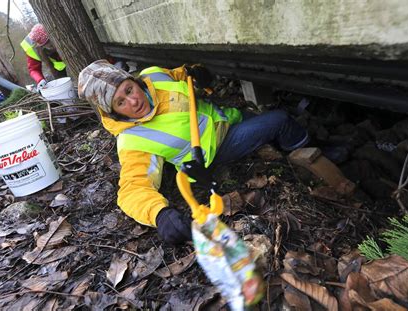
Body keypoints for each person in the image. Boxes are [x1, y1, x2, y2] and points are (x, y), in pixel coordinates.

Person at [78, 60, 310, 245]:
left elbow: (181, 74)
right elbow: (132, 189)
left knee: (262, 119)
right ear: (114, 112)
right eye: (121, 102)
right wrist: (160, 214)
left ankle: (283, 143)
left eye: (129, 89)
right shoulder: (133, 140)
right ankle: (305, 153)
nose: (134, 101)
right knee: (279, 120)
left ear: (134, 81)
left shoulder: (154, 76)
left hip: (228, 117)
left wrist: (197, 74)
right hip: (217, 147)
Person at [20, 24, 67, 89]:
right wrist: (40, 80)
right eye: (47, 45)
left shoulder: (58, 29)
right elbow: (33, 69)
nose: (50, 46)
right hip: (58, 71)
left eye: (50, 43)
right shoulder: (32, 49)